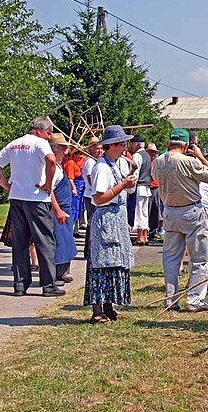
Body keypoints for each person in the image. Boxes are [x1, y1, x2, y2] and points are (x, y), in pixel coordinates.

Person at [0, 116, 64, 297]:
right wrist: (48, 183)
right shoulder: (40, 143)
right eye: (48, 133)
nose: (49, 137)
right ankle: (48, 285)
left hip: (17, 197)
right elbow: (51, 160)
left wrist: (4, 184)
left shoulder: (14, 144)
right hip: (37, 198)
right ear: (39, 131)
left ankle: (20, 285)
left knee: (20, 243)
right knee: (45, 241)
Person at [152, 128, 208, 312]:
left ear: (168, 144)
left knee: (171, 258)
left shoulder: (157, 162)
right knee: (199, 257)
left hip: (169, 211)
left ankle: (171, 299)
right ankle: (194, 299)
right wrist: (200, 156)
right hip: (190, 210)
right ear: (186, 146)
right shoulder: (188, 161)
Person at [86, 125, 137, 323]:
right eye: (122, 144)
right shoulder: (101, 167)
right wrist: (123, 185)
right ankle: (97, 311)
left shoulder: (114, 164)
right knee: (101, 266)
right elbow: (99, 198)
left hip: (115, 219)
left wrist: (126, 182)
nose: (125, 147)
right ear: (112, 145)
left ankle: (109, 308)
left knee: (113, 264)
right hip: (106, 220)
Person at [47, 134, 78, 286]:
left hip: (65, 209)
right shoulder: (51, 167)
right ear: (53, 149)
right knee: (59, 242)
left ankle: (62, 272)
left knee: (66, 241)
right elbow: (49, 190)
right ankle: (56, 274)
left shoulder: (59, 166)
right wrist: (57, 210)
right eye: (62, 148)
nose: (66, 152)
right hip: (58, 210)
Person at [130, 135, 152, 246]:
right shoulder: (147, 155)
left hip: (139, 186)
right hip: (146, 186)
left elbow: (135, 173)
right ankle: (144, 236)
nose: (131, 146)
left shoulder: (137, 156)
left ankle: (140, 237)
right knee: (144, 213)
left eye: (132, 143)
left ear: (137, 144)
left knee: (138, 212)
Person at [81, 137, 102, 241]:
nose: (100, 151)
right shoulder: (90, 162)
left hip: (92, 194)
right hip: (90, 195)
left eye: (101, 148)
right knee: (92, 222)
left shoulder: (95, 161)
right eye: (97, 148)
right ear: (91, 149)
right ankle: (89, 249)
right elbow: (91, 179)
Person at [63, 146, 87, 238]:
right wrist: (74, 188)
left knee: (78, 210)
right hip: (75, 188)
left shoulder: (77, 163)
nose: (81, 156)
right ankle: (70, 231)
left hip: (80, 189)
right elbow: (70, 178)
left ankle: (75, 230)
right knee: (73, 210)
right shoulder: (70, 163)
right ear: (74, 154)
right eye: (79, 154)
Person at [146, 143, 162, 239]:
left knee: (156, 209)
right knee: (147, 209)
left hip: (156, 187)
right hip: (148, 186)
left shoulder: (156, 162)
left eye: (154, 152)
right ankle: (148, 230)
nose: (153, 154)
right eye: (151, 152)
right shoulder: (146, 161)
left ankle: (154, 230)